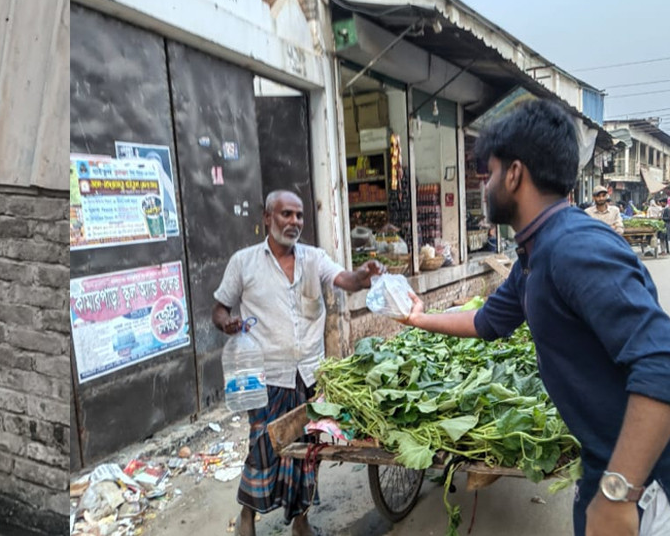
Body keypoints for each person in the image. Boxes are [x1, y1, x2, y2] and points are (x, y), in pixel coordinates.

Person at [399, 99, 670, 536]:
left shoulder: (574, 249)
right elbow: (486, 322)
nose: (484, 186)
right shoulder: (533, 255)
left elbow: (661, 362)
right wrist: (419, 318)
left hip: (649, 484)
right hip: (607, 465)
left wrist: (621, 490)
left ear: (514, 173)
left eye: (488, 173)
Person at [212, 190, 382, 536]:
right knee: (263, 449)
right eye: (286, 214)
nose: (294, 222)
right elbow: (219, 308)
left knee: (309, 451)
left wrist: (361, 276)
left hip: (310, 375)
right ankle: (248, 515)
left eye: (299, 216)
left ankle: (301, 520)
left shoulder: (313, 258)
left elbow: (343, 279)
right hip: (267, 377)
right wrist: (226, 323)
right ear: (267, 218)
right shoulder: (243, 263)